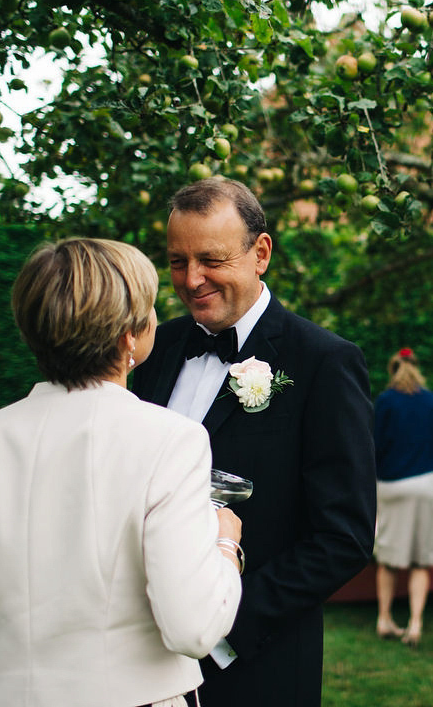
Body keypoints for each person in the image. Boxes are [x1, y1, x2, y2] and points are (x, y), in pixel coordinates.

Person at [0, 238, 243, 707]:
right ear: (128, 336)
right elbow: (193, 628)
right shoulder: (170, 441)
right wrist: (224, 545)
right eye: (149, 308)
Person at [131, 178, 376, 706]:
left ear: (260, 253)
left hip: (256, 664)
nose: (192, 279)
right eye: (177, 261)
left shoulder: (323, 363)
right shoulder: (158, 347)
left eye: (210, 260)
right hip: (144, 659)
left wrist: (219, 629)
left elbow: (344, 538)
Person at [371, 347, 433, 648]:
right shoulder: (431, 401)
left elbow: (374, 446)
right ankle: (415, 624)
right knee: (421, 561)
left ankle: (384, 619)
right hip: (427, 484)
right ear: (418, 369)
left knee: (389, 559)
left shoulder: (386, 401)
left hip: (393, 486)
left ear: (393, 369)